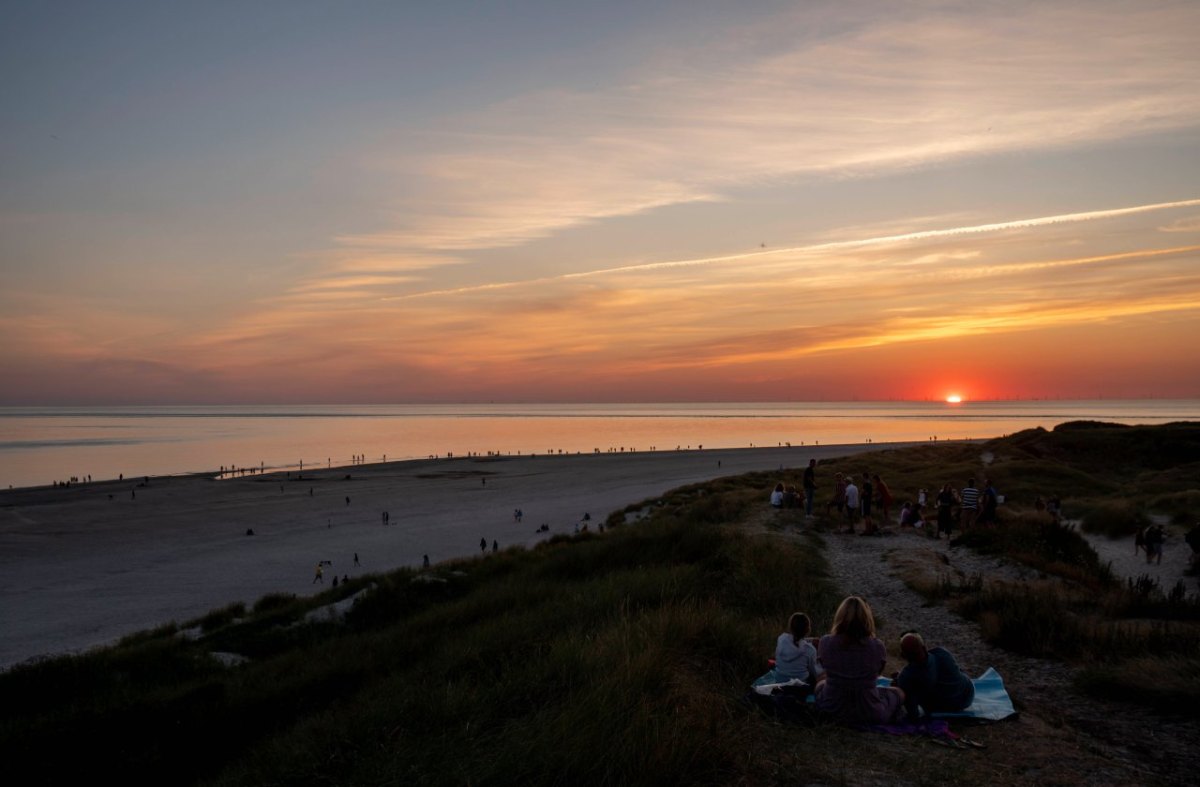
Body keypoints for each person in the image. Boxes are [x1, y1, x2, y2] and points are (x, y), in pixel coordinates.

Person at [814, 596, 904, 724]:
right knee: (898, 692)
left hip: (832, 708)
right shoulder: (877, 646)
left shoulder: (826, 642)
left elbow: (825, 667)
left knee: (820, 684)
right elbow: (877, 674)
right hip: (869, 710)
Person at [894, 632, 974, 719]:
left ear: (903, 655)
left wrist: (898, 687)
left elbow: (913, 713)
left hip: (940, 708)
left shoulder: (906, 677)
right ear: (924, 648)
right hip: (967, 696)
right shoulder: (942, 653)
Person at [774, 613, 823, 686]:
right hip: (799, 686)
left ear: (790, 627)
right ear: (808, 630)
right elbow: (816, 673)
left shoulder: (781, 639)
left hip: (779, 682)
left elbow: (795, 642)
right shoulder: (810, 650)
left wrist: (811, 640)